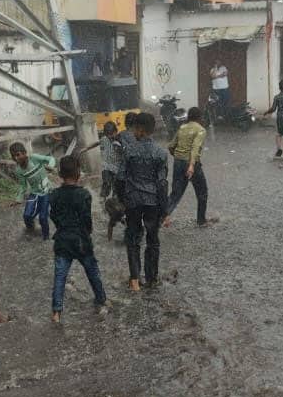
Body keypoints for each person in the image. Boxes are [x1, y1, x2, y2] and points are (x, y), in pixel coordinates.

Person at [48, 156, 108, 322]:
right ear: (79, 173)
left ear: (60, 174)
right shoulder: (84, 194)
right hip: (81, 240)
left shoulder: (53, 195)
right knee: (92, 272)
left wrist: (62, 227)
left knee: (60, 277)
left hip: (62, 239)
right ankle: (101, 300)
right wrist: (88, 232)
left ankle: (56, 312)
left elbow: (53, 216)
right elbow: (86, 218)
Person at [119, 112, 169, 291]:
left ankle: (134, 279)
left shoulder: (129, 150)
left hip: (132, 200)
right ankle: (151, 278)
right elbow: (162, 183)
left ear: (140, 130)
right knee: (153, 240)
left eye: (135, 129)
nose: (133, 132)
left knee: (133, 238)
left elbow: (121, 177)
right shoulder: (161, 153)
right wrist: (165, 210)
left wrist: (122, 201)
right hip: (152, 202)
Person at [166, 105, 211, 227]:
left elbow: (171, 146)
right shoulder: (200, 130)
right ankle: (201, 220)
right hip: (191, 163)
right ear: (199, 117)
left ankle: (163, 215)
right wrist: (191, 165)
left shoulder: (182, 127)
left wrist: (177, 156)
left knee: (176, 192)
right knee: (202, 192)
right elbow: (195, 148)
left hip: (178, 161)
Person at [10, 142, 56, 240]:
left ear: (25, 153)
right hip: (35, 193)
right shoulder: (19, 170)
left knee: (43, 217)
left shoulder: (34, 158)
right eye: (16, 156)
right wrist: (18, 199)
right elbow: (23, 186)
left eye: (20, 154)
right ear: (13, 158)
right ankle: (31, 231)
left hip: (47, 191)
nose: (19, 157)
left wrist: (51, 166)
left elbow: (51, 159)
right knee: (27, 215)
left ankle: (46, 238)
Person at [262, 80, 283, 159]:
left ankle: (279, 148)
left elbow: (273, 109)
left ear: (279, 88)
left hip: (280, 118)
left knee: (279, 134)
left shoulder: (277, 97)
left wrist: (266, 112)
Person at [98, 121, 123, 200]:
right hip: (107, 167)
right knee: (106, 183)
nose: (110, 137)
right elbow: (97, 143)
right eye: (107, 135)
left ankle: (115, 201)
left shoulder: (120, 140)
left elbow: (124, 154)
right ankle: (102, 200)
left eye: (111, 134)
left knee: (116, 187)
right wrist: (86, 148)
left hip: (117, 169)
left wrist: (120, 148)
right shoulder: (104, 139)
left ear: (116, 131)